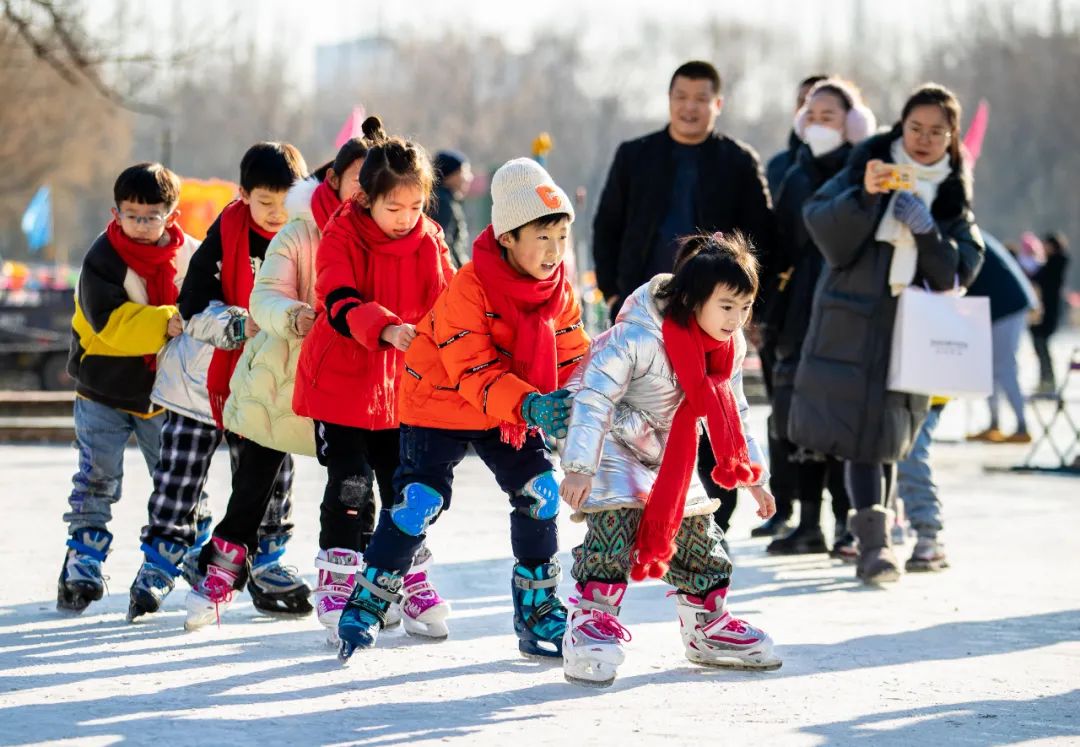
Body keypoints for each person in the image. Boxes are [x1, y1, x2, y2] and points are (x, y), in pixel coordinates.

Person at [336, 158, 590, 662]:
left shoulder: (558, 291)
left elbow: (575, 354)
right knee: (419, 500)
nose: (552, 252)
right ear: (508, 238)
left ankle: (537, 605)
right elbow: (472, 370)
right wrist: (533, 404)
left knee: (540, 491)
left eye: (560, 238)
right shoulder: (469, 289)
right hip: (440, 402)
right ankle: (370, 596)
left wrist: (600, 392)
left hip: (511, 410)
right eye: (541, 238)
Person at [559, 232, 780, 687]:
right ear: (694, 298)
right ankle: (591, 624)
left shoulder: (728, 346)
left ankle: (708, 624)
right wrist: (580, 465)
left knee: (700, 535)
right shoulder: (635, 337)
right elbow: (592, 396)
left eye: (745, 307)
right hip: (614, 447)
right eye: (726, 306)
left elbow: (734, 410)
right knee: (614, 529)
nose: (737, 319)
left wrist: (753, 476)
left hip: (673, 457)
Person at [791, 83, 985, 585]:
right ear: (900, 127)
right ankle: (874, 546)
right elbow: (821, 224)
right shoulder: (866, 164)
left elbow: (957, 272)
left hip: (912, 330)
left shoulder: (952, 194)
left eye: (936, 131)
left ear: (951, 137)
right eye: (915, 128)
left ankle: (875, 539)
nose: (923, 140)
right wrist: (865, 195)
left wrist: (924, 228)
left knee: (891, 436)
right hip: (852, 322)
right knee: (859, 438)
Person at [592, 59, 776, 539]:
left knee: (716, 402)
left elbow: (763, 236)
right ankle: (640, 513)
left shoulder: (737, 161)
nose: (689, 108)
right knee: (646, 414)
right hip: (652, 310)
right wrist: (614, 290)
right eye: (681, 97)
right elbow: (607, 225)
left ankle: (714, 519)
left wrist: (748, 307)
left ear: (717, 104)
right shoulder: (636, 155)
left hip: (713, 314)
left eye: (700, 99)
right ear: (669, 99)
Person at [292, 117, 457, 649]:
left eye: (415, 208)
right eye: (394, 208)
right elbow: (335, 300)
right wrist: (385, 326)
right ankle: (339, 579)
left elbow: (450, 304)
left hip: (399, 386)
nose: (405, 219)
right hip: (341, 380)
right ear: (367, 198)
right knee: (351, 482)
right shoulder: (342, 232)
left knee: (404, 489)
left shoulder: (429, 240)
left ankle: (402, 577)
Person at [219, 136, 371, 640]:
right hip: (285, 372)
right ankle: (222, 568)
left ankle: (364, 576)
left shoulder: (395, 236)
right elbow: (265, 296)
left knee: (357, 478)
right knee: (257, 477)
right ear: (333, 180)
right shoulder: (300, 231)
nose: (367, 190)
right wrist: (292, 315)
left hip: (357, 381)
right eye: (358, 178)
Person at [178, 142, 312, 630]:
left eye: (285, 203)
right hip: (241, 373)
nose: (276, 215)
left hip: (296, 373)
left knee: (278, 477)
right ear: (243, 196)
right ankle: (223, 561)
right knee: (252, 475)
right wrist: (238, 324)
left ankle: (269, 560)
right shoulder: (230, 228)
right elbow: (191, 300)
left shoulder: (308, 228)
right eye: (264, 204)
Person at [57, 163, 192, 614]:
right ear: (116, 213)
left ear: (171, 215)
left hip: (164, 393)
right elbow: (110, 324)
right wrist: (165, 321)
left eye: (151, 215)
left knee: (174, 476)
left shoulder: (188, 256)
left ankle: (187, 546)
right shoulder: (102, 260)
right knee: (98, 475)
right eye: (131, 214)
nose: (140, 224)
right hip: (103, 389)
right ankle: (84, 555)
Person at [764, 79, 877, 557]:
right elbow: (777, 248)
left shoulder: (863, 173)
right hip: (799, 313)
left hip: (851, 313)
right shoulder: (793, 175)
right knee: (803, 420)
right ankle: (808, 521)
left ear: (853, 123)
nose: (818, 124)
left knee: (846, 423)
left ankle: (849, 522)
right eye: (812, 115)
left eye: (829, 116)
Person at [966, 236, 1041, 443]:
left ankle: (1022, 425)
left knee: (1005, 367)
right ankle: (994, 423)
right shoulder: (967, 232)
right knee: (990, 368)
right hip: (998, 308)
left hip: (1007, 307)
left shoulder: (963, 235)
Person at [765, 74, 829, 197]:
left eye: (815, 104)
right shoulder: (777, 167)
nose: (807, 112)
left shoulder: (855, 165)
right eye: (801, 103)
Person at [1030, 232, 1071, 394]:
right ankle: (1045, 379)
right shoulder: (1050, 264)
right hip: (1044, 311)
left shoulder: (1055, 264)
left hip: (1048, 312)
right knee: (1040, 345)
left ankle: (1048, 380)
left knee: (1042, 344)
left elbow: (1041, 280)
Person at [429, 150, 473, 269]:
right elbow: (444, 245)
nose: (469, 178)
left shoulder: (444, 199)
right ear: (450, 175)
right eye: (464, 172)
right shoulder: (442, 203)